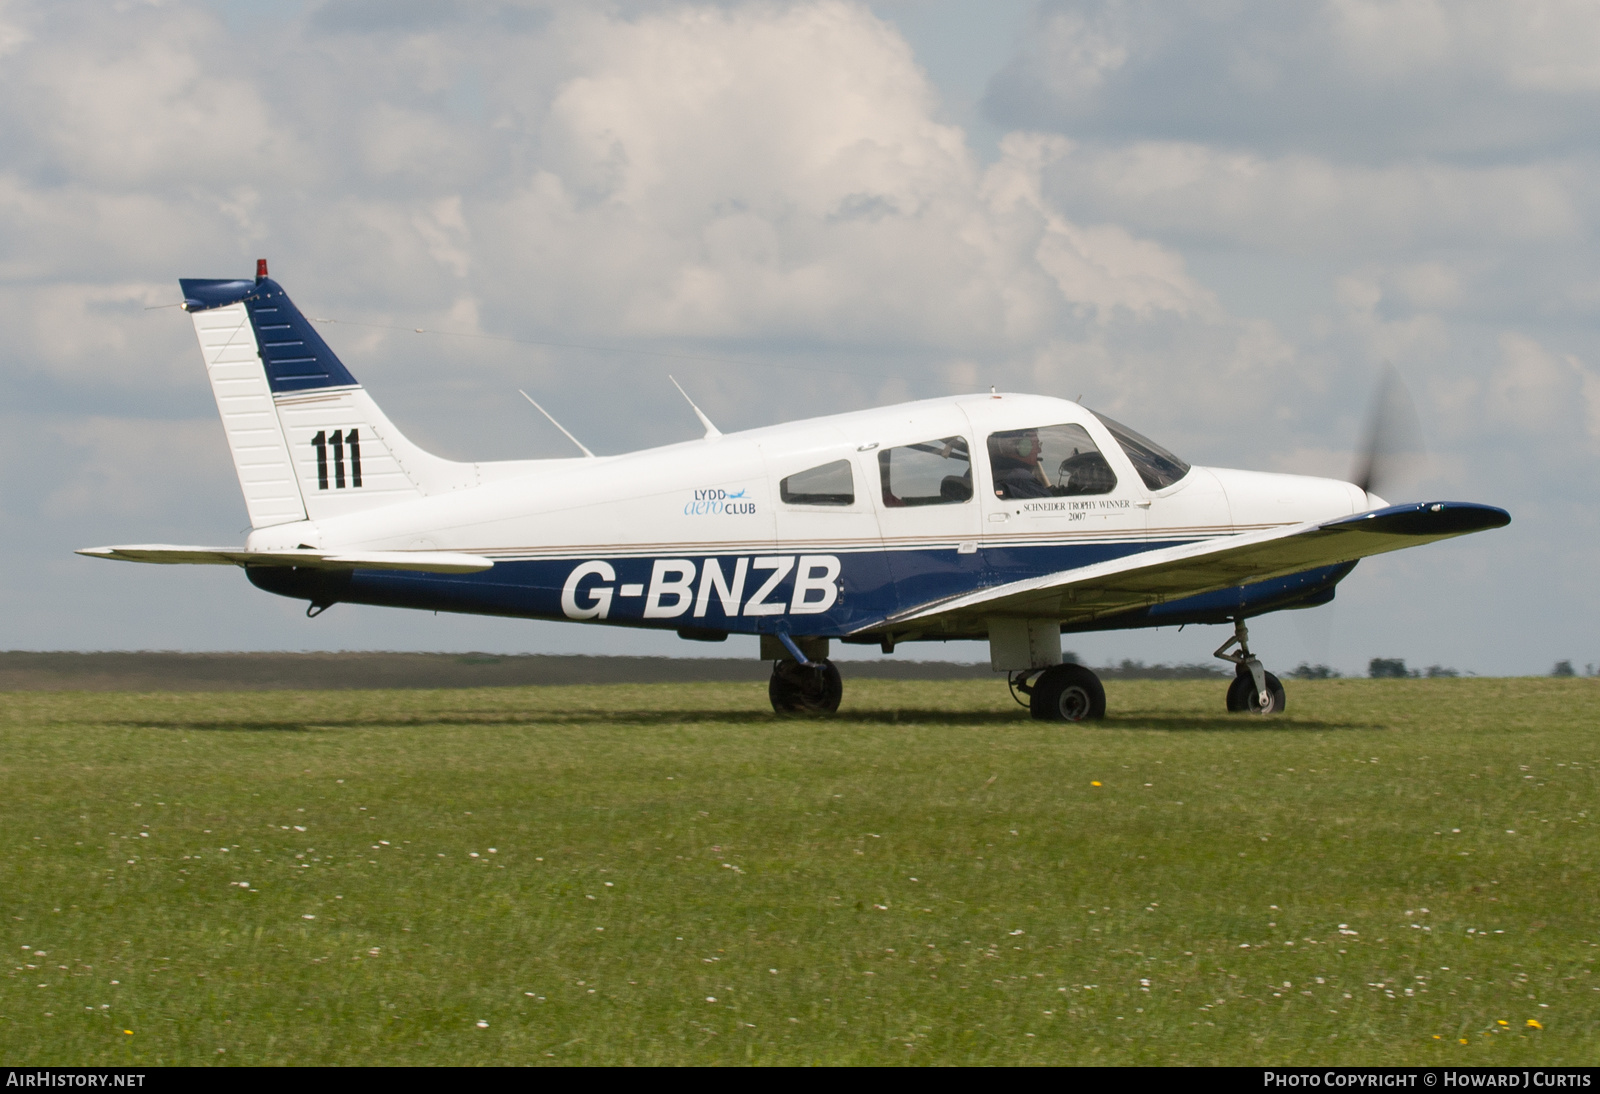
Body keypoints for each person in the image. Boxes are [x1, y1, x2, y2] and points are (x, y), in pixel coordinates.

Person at [989, 429, 1053, 498]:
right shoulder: (1021, 477)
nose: (1039, 450)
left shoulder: (1001, 473)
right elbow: (1048, 501)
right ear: (1023, 447)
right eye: (1037, 444)